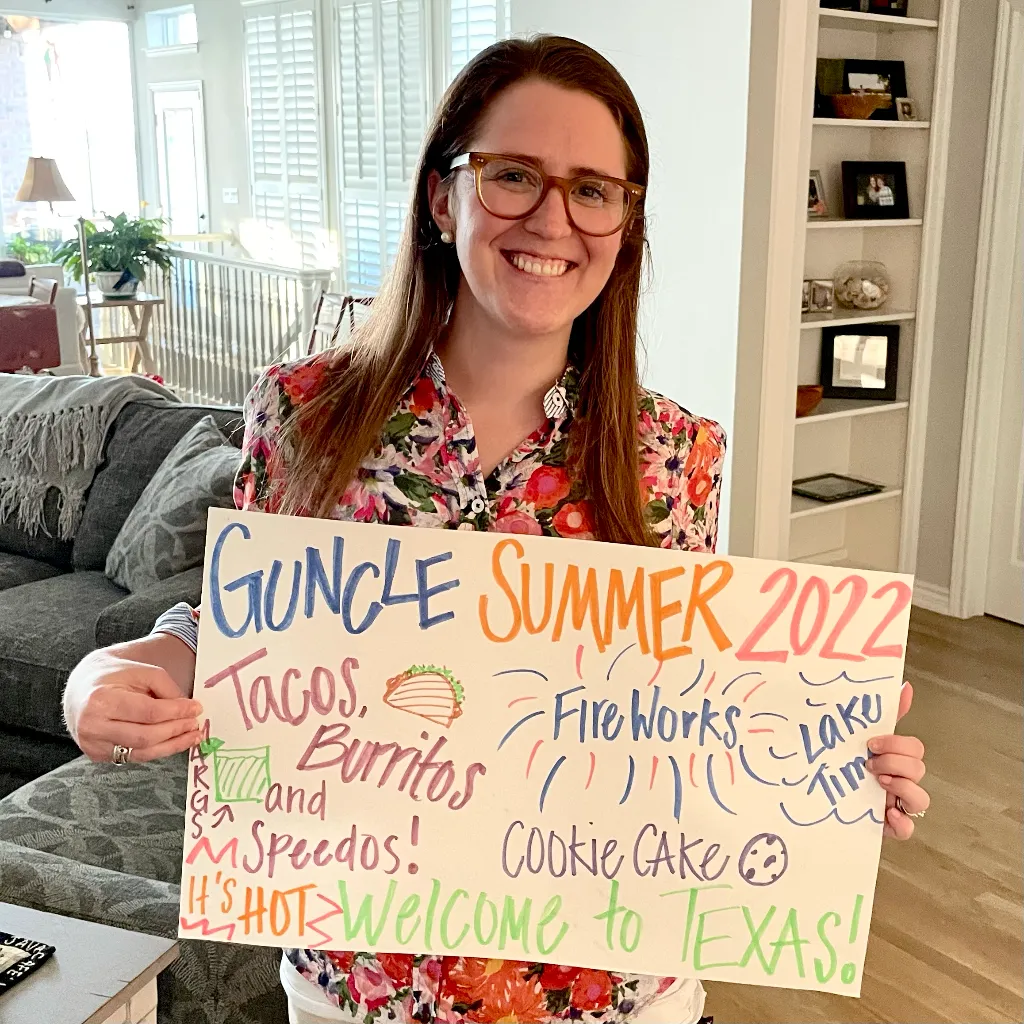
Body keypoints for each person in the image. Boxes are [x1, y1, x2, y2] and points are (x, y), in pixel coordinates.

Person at [62, 35, 930, 1024]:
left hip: (612, 988)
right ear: (444, 198)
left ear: (624, 223)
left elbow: (681, 704)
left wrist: (828, 760)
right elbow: (255, 630)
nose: (553, 218)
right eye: (512, 175)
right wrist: (114, 674)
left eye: (594, 190)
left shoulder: (672, 457)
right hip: (363, 983)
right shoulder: (305, 414)